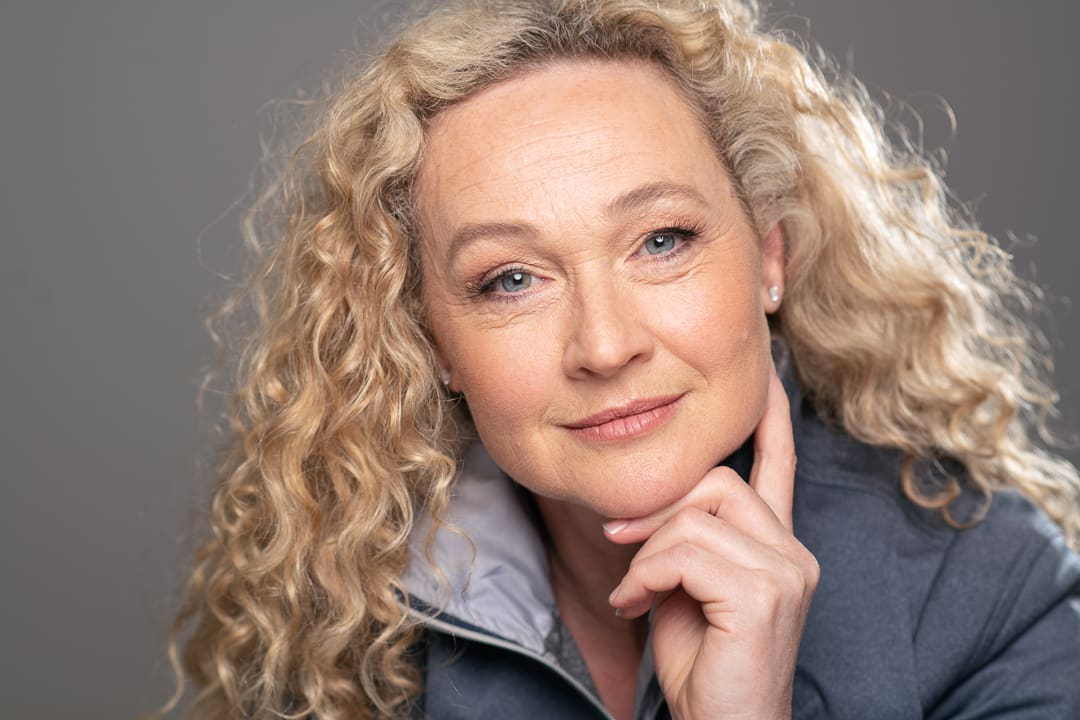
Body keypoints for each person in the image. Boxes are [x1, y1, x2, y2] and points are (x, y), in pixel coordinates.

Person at [160, 0, 1080, 718]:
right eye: (511, 279)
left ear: (769, 256)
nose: (604, 345)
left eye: (661, 240)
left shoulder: (994, 594)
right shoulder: (335, 629)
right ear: (430, 338)